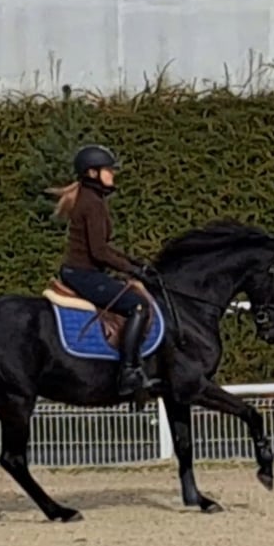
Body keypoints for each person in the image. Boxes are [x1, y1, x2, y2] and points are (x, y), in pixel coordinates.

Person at [46, 144, 161, 396]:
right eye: (109, 170)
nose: (113, 174)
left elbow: (104, 247)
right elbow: (99, 252)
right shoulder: (92, 204)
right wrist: (133, 270)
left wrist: (134, 262)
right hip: (84, 275)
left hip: (82, 272)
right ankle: (130, 371)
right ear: (92, 173)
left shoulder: (90, 198)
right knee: (138, 306)